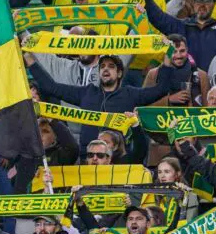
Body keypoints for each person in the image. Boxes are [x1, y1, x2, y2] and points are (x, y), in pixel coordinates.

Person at [25, 53, 173, 158]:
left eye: (111, 66)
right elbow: (51, 87)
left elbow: (161, 90)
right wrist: (29, 59)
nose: (105, 69)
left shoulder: (130, 94)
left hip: (118, 161)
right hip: (88, 159)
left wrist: (167, 60)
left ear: (119, 73)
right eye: (102, 66)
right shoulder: (87, 93)